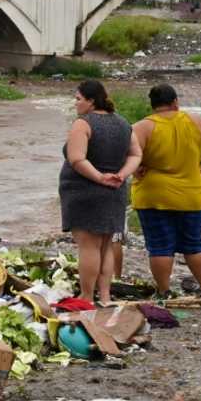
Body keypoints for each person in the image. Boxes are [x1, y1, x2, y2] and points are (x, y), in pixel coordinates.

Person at [131, 84, 201, 300]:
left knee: (160, 246)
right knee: (193, 243)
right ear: (175, 102)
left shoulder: (143, 127)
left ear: (152, 105)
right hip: (190, 193)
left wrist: (137, 170)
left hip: (153, 194)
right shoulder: (196, 121)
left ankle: (164, 291)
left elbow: (127, 152)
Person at [59, 80, 141, 304]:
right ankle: (104, 295)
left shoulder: (83, 123)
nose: (75, 104)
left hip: (85, 191)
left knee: (88, 246)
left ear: (91, 101)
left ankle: (86, 296)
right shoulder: (123, 123)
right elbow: (136, 154)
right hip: (115, 191)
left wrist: (99, 177)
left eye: (78, 99)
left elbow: (76, 158)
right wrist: (122, 174)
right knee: (106, 246)